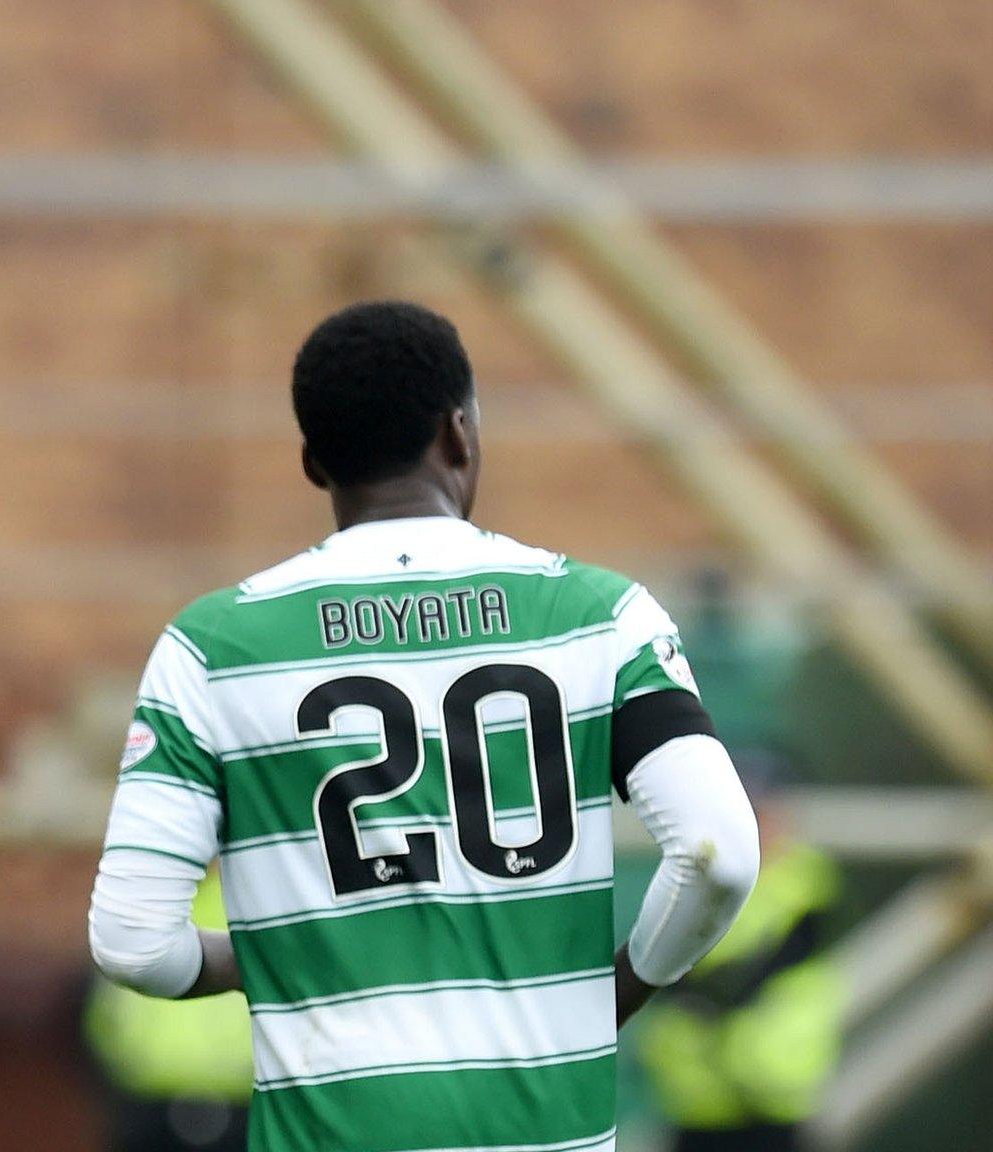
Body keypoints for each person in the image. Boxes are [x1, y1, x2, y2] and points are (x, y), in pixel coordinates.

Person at [87, 302, 762, 1152]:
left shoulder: (211, 648)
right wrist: (623, 985)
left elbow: (131, 942)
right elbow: (719, 854)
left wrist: (269, 958)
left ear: (312, 462)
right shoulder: (602, 617)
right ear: (459, 435)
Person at [637, 761, 842, 1152]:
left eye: (761, 812)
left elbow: (786, 951)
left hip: (772, 1088)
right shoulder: (694, 877)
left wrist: (706, 993)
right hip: (700, 1092)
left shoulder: (808, 878)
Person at [83, 870, 252, 1152]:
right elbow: (99, 1019)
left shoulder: (246, 901)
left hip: (239, 1103)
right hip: (148, 1104)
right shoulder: (144, 902)